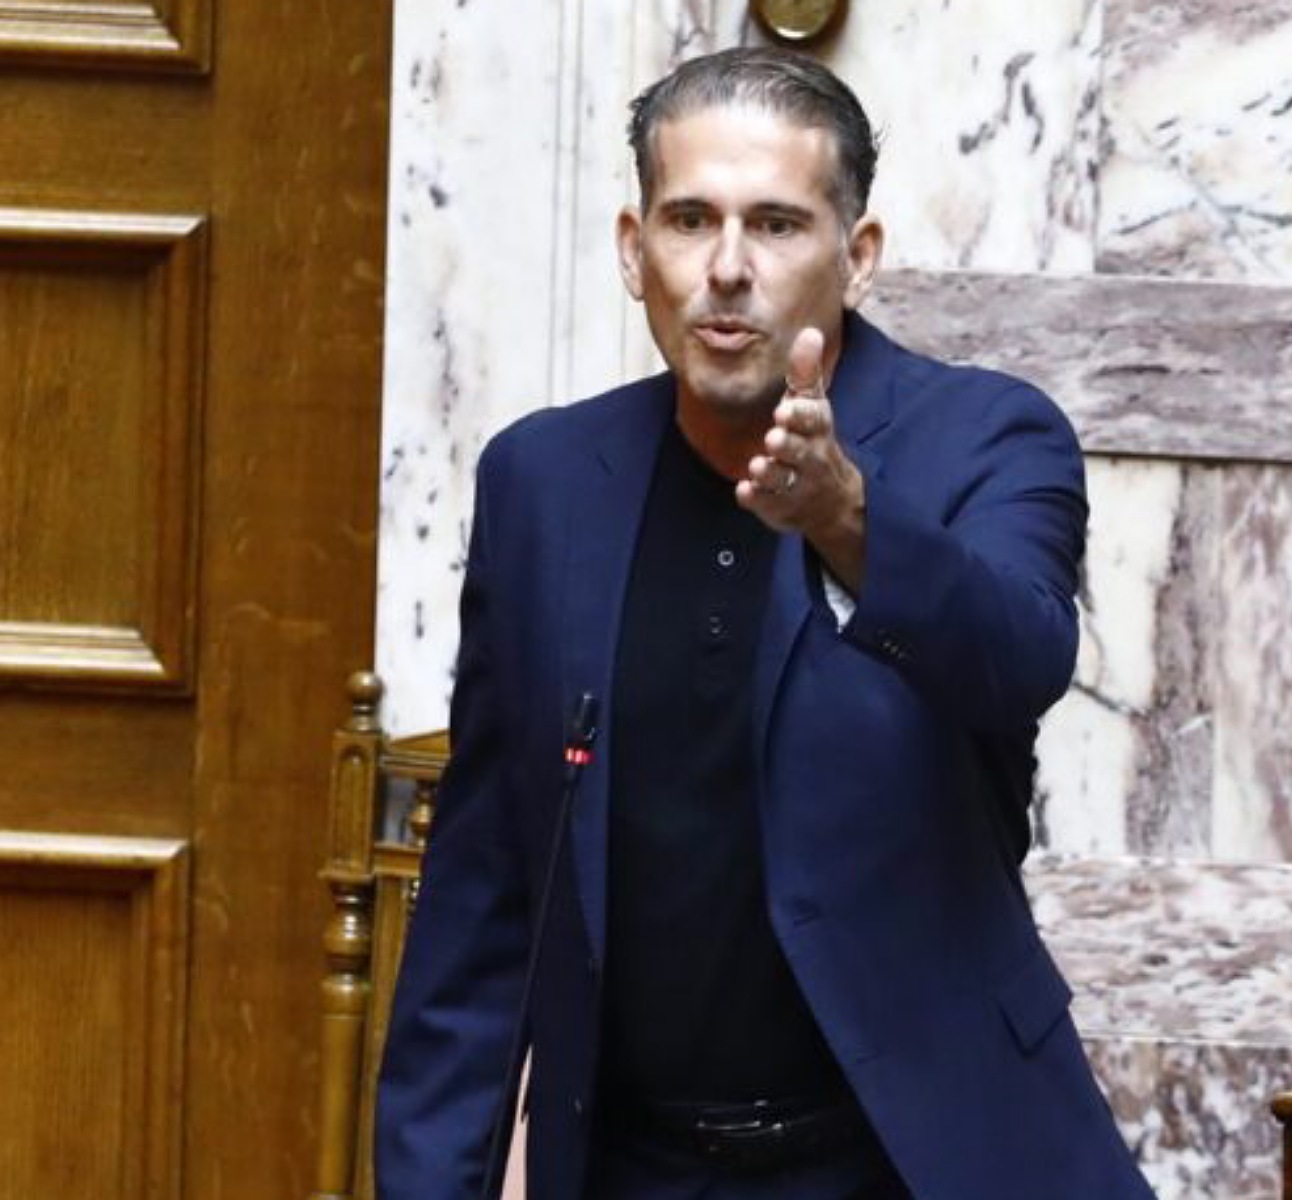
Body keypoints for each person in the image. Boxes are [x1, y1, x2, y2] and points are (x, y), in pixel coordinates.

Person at [376, 46, 1155, 1200]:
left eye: (777, 225)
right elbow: (487, 887)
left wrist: (849, 520)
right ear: (634, 250)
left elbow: (1021, 657)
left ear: (859, 255)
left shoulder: (987, 438)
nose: (728, 269)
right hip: (637, 1166)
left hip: (911, 1161)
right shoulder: (545, 480)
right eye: (691, 220)